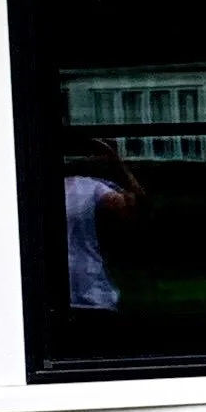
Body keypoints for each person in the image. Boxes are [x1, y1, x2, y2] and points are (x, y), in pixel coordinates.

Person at [60, 133, 140, 314]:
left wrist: (116, 162)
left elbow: (133, 205)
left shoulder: (91, 187)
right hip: (69, 295)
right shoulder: (86, 187)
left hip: (91, 295)